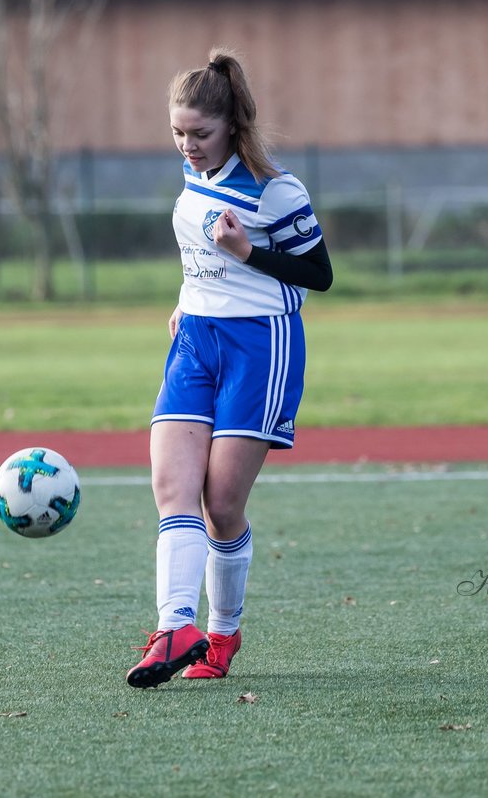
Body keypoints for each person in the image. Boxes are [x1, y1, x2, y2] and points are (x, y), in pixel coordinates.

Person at [126, 48, 333, 689]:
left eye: (199, 134)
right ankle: (174, 627)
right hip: (195, 340)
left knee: (220, 503)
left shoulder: (277, 191)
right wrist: (186, 303)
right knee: (172, 488)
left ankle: (223, 632)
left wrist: (247, 251)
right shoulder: (192, 182)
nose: (187, 145)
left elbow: (318, 275)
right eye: (177, 133)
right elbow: (196, 257)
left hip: (260, 348)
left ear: (232, 127)